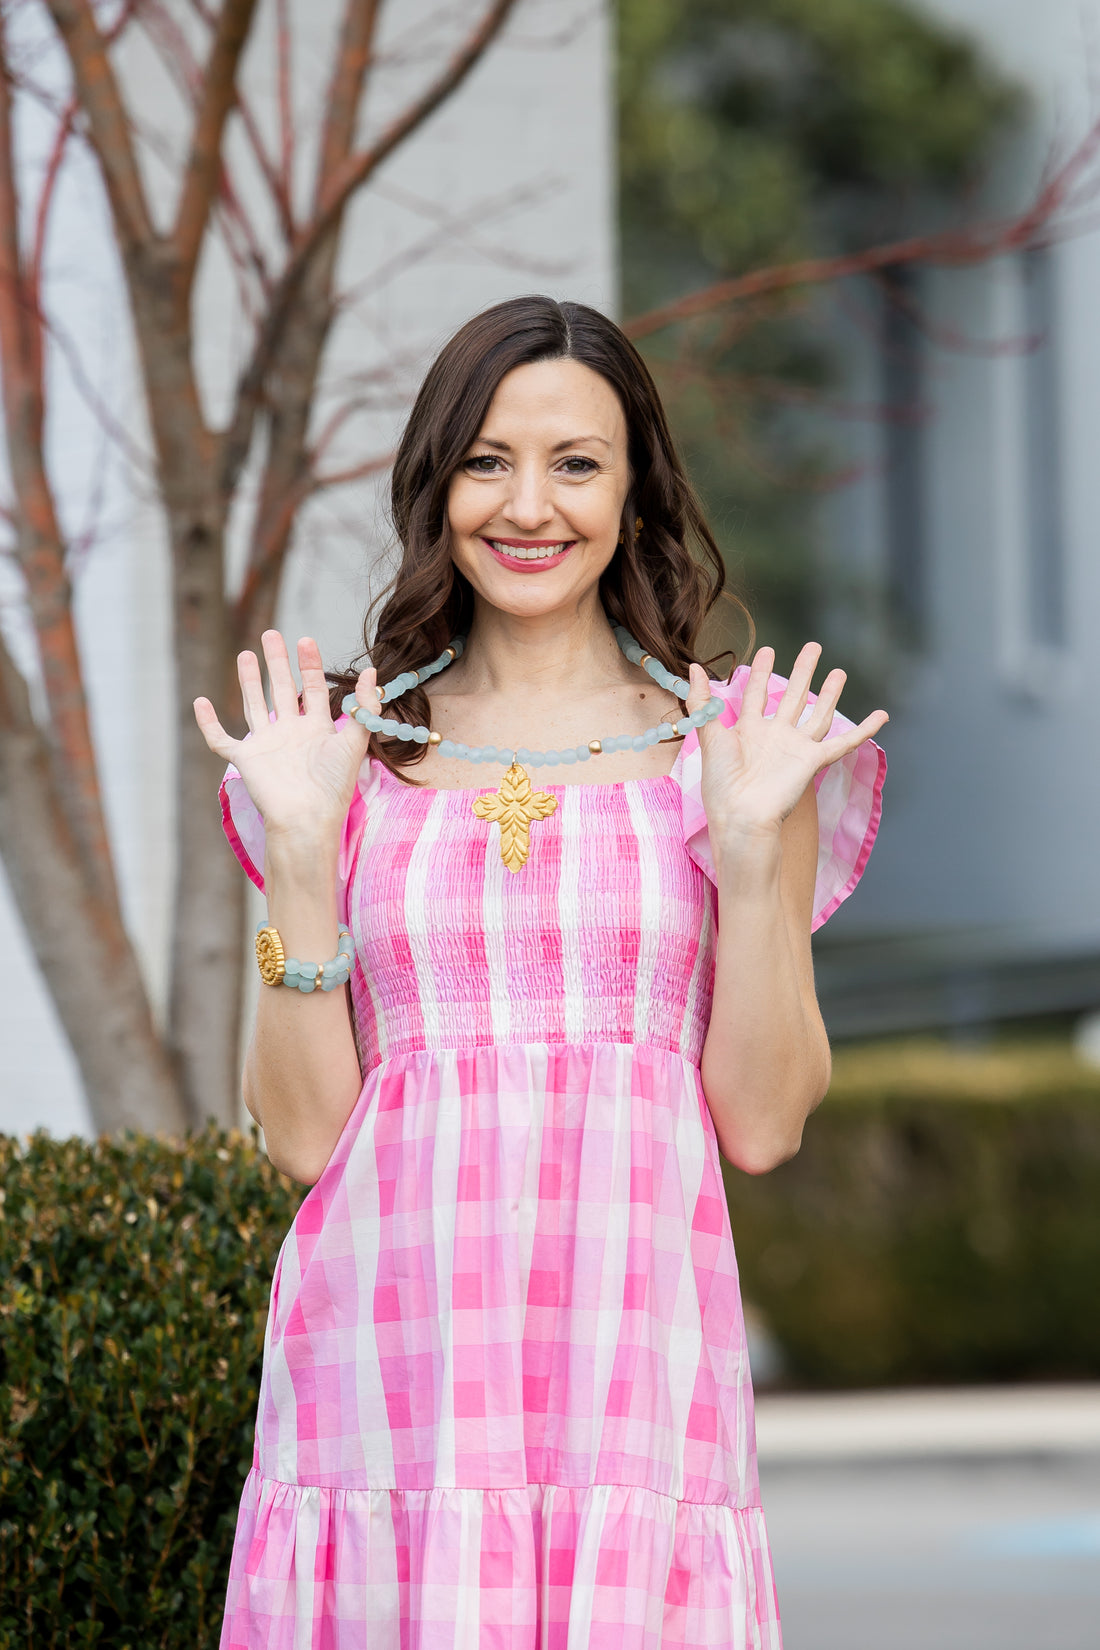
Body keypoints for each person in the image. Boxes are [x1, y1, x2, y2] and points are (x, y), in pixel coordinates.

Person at [196, 295, 887, 1649]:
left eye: (577, 462)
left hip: (636, 1401)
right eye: (487, 460)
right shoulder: (339, 758)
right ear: (438, 483)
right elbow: (299, 1135)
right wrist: (297, 847)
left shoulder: (740, 752)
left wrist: (749, 854)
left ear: (638, 492)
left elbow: (763, 1117)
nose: (530, 504)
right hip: (385, 1401)